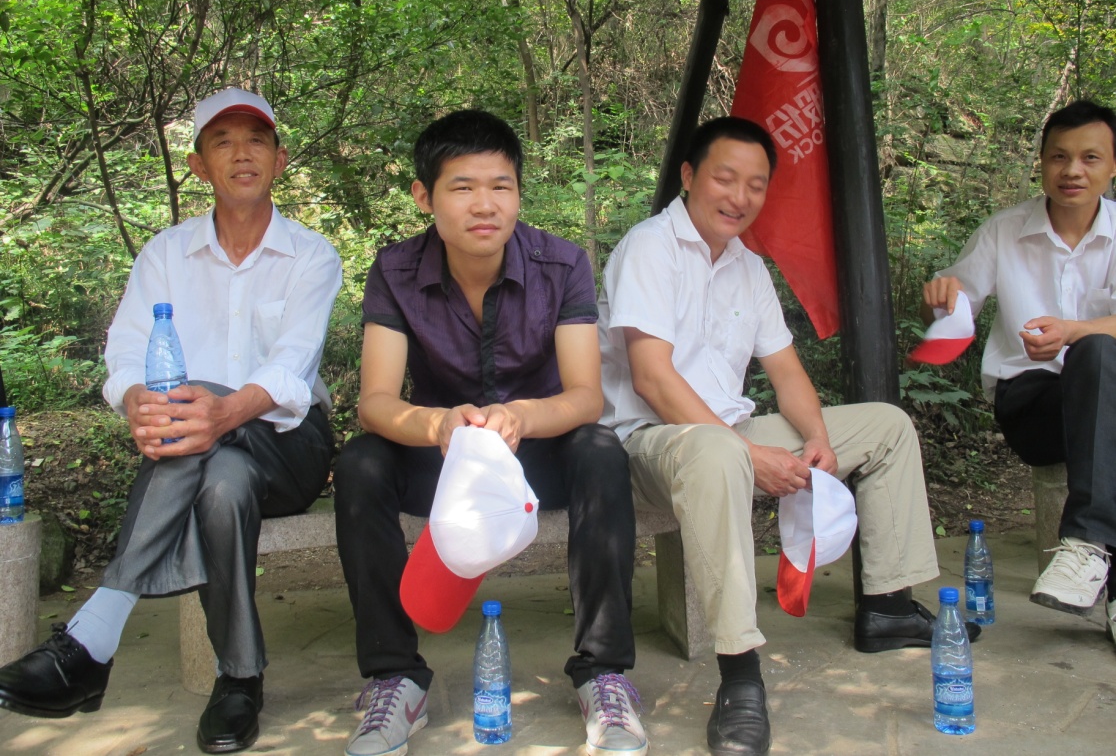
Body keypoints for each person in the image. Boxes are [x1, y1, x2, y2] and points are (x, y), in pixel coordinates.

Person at [598, 116, 978, 756]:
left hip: (730, 433)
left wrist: (818, 435)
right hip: (649, 444)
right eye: (725, 178)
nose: (739, 196)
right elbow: (652, 378)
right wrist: (750, 454)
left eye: (756, 184)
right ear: (689, 176)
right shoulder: (650, 248)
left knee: (886, 425)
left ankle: (888, 604)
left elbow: (786, 369)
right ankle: (740, 674)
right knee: (720, 452)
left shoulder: (748, 266)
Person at [0, 88, 343, 754]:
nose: (241, 154)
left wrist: (218, 409)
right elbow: (125, 353)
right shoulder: (164, 255)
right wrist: (134, 397)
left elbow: (291, 369)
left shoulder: (312, 255)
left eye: (256, 140)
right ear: (197, 165)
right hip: (203, 452)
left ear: (279, 160)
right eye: (223, 141)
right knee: (221, 483)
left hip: (290, 444)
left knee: (203, 406)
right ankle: (239, 679)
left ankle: (95, 634)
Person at [332, 109, 646, 756]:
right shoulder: (395, 270)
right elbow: (376, 402)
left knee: (600, 450)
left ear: (519, 193)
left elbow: (586, 396)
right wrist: (438, 423)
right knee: (361, 462)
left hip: (535, 456)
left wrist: (523, 415)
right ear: (424, 196)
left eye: (501, 186)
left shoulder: (562, 264)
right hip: (442, 458)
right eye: (463, 187)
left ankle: (603, 674)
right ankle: (395, 679)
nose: (485, 204)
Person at [923, 100, 1116, 636]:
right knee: (1099, 352)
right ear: (1042, 162)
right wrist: (941, 300)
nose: (1072, 171)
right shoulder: (1003, 231)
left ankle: (1090, 559)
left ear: (1112, 166)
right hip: (1032, 404)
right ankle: (1087, 543)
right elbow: (955, 309)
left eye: (1090, 158)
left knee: (1096, 355)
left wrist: (1072, 330)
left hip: (1105, 400)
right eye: (1059, 156)